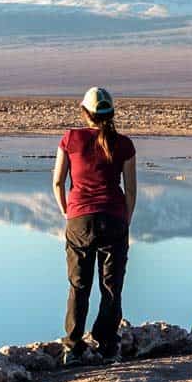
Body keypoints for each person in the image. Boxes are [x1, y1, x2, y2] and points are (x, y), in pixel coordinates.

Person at [53, 87, 137, 365]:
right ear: (111, 113)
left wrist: (69, 211)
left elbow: (57, 182)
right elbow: (131, 190)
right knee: (111, 285)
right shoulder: (123, 144)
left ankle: (73, 346)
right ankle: (107, 343)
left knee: (79, 284)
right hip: (114, 218)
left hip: (79, 220)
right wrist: (126, 220)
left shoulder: (71, 139)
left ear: (85, 112)